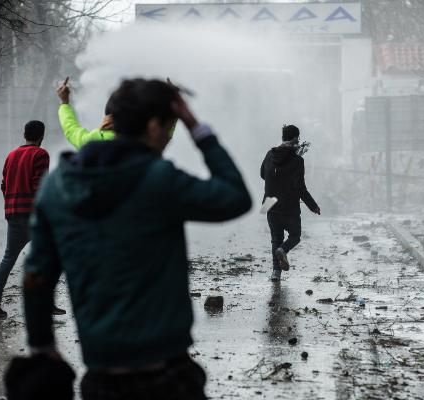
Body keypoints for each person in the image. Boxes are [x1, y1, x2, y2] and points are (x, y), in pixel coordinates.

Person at [22, 78, 252, 399]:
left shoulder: (58, 185)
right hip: (167, 376)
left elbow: (36, 276)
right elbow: (235, 197)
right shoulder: (158, 179)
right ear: (155, 126)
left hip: (101, 377)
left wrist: (42, 346)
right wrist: (196, 127)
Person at [0, 121, 65, 318]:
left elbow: (4, 185)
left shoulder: (11, 155)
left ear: (24, 134)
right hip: (33, 215)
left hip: (13, 213)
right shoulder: (40, 154)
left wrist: (12, 204)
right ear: (41, 136)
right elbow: (40, 186)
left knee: (8, 258)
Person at [261, 124, 320, 282]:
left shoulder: (269, 154)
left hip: (269, 204)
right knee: (294, 236)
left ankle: (276, 273)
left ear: (282, 138)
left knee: (275, 238)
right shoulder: (297, 161)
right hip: (289, 206)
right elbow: (301, 188)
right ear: (295, 139)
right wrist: (313, 206)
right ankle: (283, 250)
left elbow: (262, 174)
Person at [56, 77, 177, 149]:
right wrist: (172, 105)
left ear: (108, 117)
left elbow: (71, 129)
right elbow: (164, 131)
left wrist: (64, 102)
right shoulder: (148, 144)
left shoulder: (93, 141)